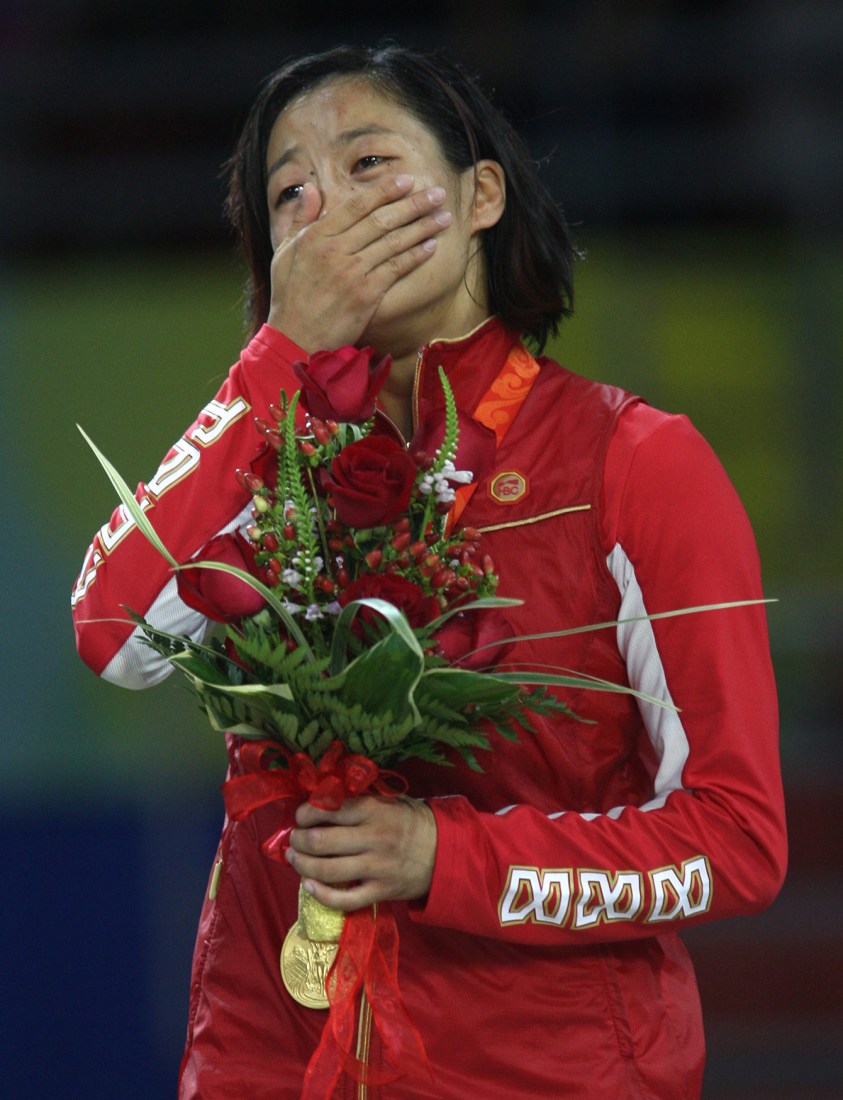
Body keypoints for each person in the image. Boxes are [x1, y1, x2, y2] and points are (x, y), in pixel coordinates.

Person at [72, 44, 786, 1099]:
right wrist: (276, 362)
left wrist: (444, 857)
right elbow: (111, 634)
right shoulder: (261, 469)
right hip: (270, 1058)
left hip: (546, 1072)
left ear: (481, 192)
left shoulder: (632, 461)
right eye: (292, 195)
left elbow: (736, 839)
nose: (332, 214)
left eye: (368, 164)